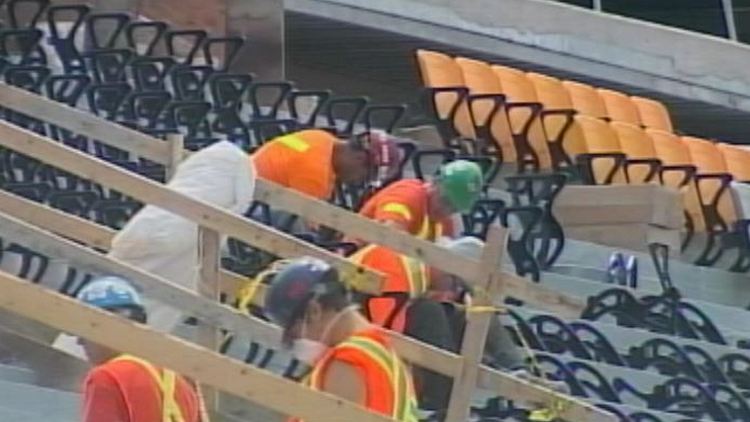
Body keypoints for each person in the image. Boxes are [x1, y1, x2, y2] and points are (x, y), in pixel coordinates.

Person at [263, 257, 420, 422]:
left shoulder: (347, 362)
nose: (299, 343)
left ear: (314, 311)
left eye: (296, 335)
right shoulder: (382, 352)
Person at [77, 275, 201, 422]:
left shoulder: (106, 377)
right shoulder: (180, 380)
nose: (79, 342)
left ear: (98, 327)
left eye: (82, 332)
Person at [253, 129, 403, 201]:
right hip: (251, 205)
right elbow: (308, 223)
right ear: (359, 159)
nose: (357, 181)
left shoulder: (320, 137)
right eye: (364, 176)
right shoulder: (317, 174)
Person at [359, 160, 483, 241]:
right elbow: (388, 233)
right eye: (445, 201)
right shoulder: (407, 195)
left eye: (454, 209)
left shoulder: (444, 223)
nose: (445, 211)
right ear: (435, 182)